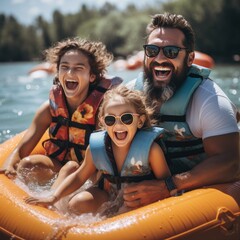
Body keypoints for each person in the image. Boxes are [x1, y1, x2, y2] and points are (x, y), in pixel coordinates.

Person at [124, 12, 240, 209]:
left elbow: (231, 162)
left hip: (198, 193)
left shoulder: (210, 99)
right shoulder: (130, 93)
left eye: (171, 51)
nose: (159, 58)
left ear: (190, 58)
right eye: (152, 50)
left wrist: (168, 186)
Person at [25, 85, 171, 216]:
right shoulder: (96, 147)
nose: (118, 125)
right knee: (77, 204)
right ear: (102, 122)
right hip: (106, 194)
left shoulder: (152, 151)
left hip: (136, 198)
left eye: (126, 118)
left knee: (127, 210)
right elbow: (79, 176)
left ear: (139, 121)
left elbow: (165, 185)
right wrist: (53, 197)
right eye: (110, 120)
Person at [0, 37, 122, 185]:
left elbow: (105, 160)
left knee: (69, 169)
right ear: (57, 72)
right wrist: (8, 167)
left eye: (78, 68)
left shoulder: (101, 112)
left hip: (89, 174)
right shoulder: (49, 109)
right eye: (64, 67)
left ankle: (57, 200)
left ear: (92, 76)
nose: (70, 72)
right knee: (27, 165)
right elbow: (20, 151)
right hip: (59, 165)